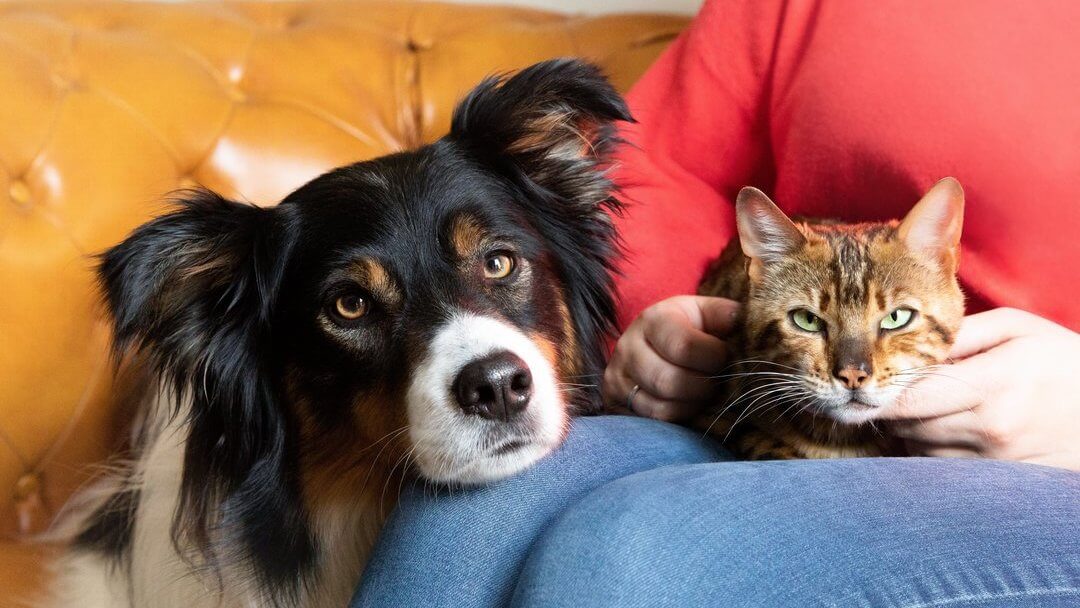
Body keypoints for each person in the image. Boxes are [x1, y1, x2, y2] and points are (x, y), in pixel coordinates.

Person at [350, 1, 1080, 606]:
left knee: (623, 561)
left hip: (1055, 472)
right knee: (462, 523)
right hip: (768, 395)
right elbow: (661, 171)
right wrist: (658, 327)